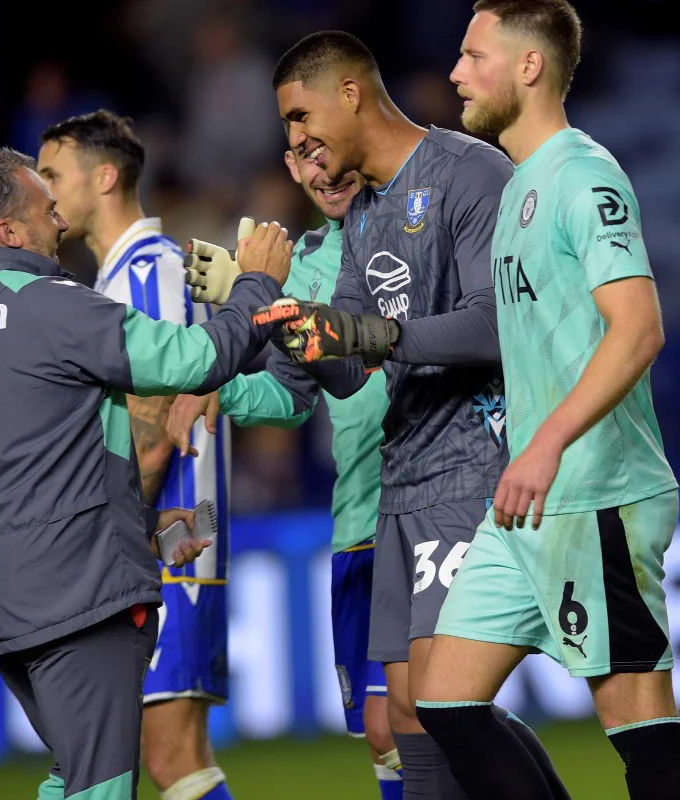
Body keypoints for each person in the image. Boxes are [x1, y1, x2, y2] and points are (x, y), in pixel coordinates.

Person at [216, 29, 558, 800]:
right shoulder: (362, 216)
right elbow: (344, 373)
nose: (296, 141)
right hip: (396, 491)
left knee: (445, 703)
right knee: (406, 717)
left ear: (350, 94)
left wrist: (374, 333)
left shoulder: (470, 171)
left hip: (472, 466)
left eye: (301, 117)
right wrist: (279, 319)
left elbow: (498, 322)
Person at [0, 147, 290, 800]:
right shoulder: (50, 304)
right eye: (44, 211)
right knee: (106, 785)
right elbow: (199, 358)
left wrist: (146, 526)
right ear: (6, 232)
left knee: (72, 773)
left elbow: (36, 464)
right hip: (76, 599)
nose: (56, 224)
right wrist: (257, 286)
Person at [412, 3, 680, 800]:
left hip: (594, 493)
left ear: (529, 67)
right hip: (529, 503)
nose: (456, 72)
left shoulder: (582, 175)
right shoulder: (521, 188)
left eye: (473, 56)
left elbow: (638, 329)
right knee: (445, 702)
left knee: (638, 723)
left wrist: (548, 439)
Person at [170, 147, 403, 797]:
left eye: (331, 151)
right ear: (292, 171)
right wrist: (225, 390)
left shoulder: (419, 231)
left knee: (434, 709)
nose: (324, 171)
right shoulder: (298, 267)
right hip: (359, 512)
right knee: (385, 731)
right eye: (305, 157)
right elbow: (292, 399)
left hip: (437, 499)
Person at [35, 109, 236, 800]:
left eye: (53, 174)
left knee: (170, 753)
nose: (44, 191)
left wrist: (107, 541)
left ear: (107, 175)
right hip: (169, 536)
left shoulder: (147, 274)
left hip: (172, 539)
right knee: (167, 754)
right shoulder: (122, 279)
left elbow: (151, 431)